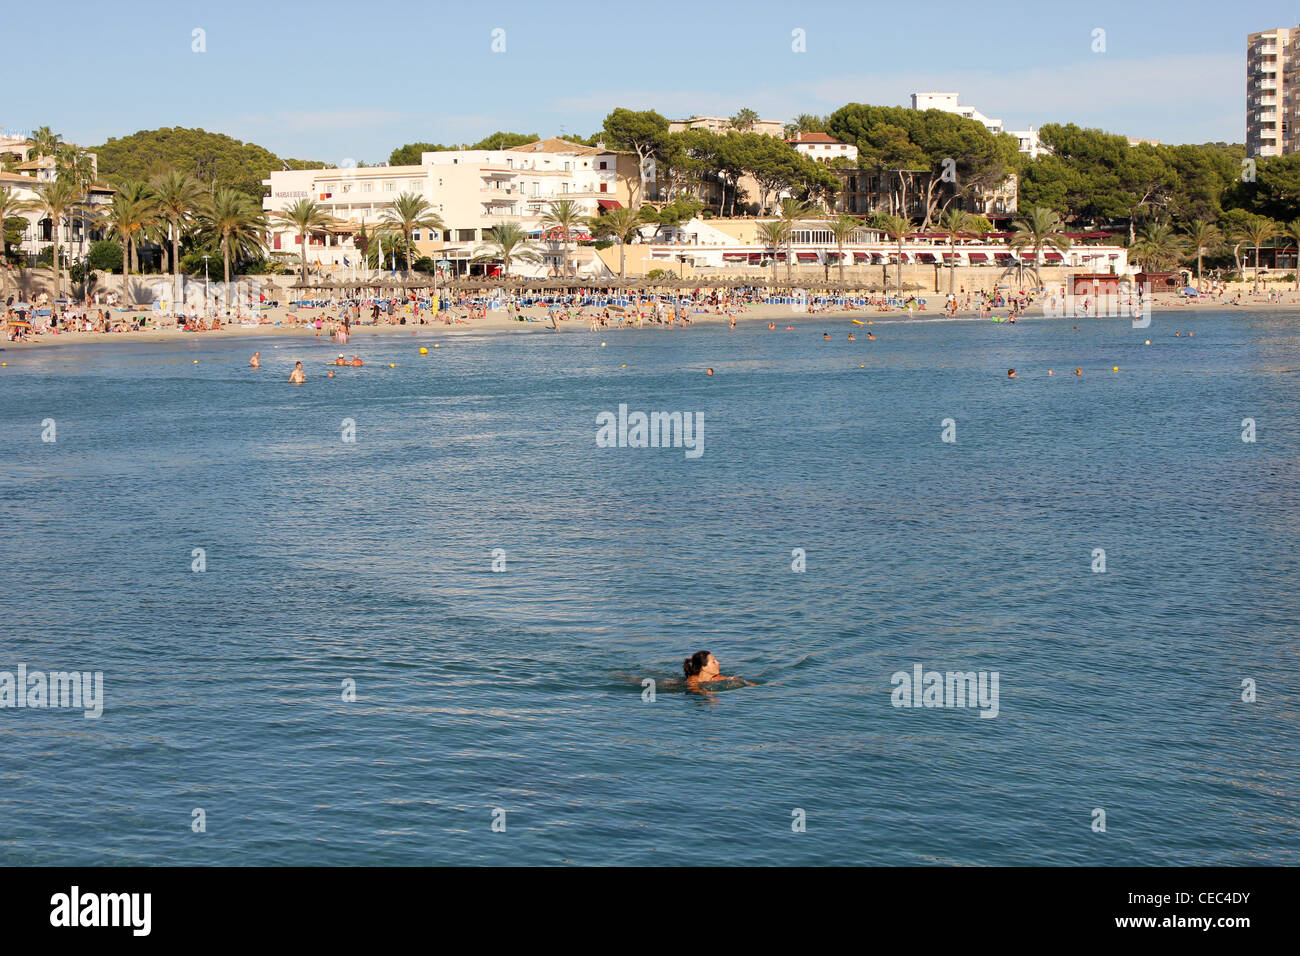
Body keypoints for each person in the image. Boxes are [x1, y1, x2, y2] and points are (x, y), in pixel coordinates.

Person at [683, 651, 748, 689]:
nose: (718, 662)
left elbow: (745, 683)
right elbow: (696, 692)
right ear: (703, 667)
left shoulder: (715, 678)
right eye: (713, 662)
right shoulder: (693, 681)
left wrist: (737, 680)